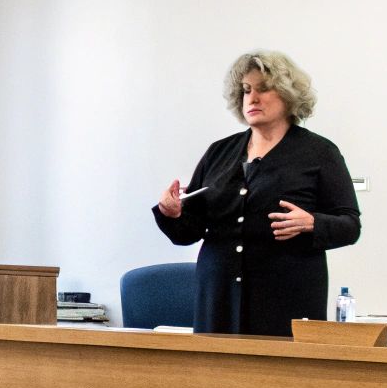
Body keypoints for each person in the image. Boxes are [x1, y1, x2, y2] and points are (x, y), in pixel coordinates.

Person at [154, 51, 360, 335]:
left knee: (279, 378)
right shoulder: (219, 152)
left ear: (288, 95)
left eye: (263, 89)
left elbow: (350, 225)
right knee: (215, 375)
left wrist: (313, 223)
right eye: (246, 90)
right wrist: (172, 213)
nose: (252, 98)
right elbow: (188, 232)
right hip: (219, 297)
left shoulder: (320, 152)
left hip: (285, 300)